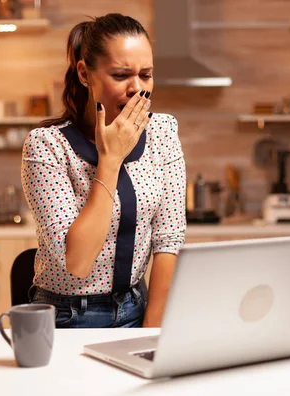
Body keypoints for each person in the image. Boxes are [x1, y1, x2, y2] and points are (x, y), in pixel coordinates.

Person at [20, 13, 186, 329]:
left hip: (139, 311)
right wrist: (110, 160)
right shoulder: (46, 146)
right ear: (85, 73)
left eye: (146, 75)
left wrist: (150, 335)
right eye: (121, 75)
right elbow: (77, 264)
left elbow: (169, 242)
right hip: (66, 318)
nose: (137, 89)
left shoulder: (163, 132)